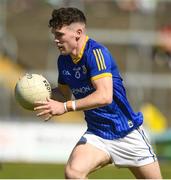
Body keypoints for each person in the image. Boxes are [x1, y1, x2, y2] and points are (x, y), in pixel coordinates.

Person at [34, 7, 162, 179]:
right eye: (54, 35)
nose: (56, 40)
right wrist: (39, 95)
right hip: (98, 134)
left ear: (78, 33)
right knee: (73, 173)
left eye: (60, 35)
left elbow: (104, 96)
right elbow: (64, 94)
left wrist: (65, 107)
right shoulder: (63, 61)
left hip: (126, 132)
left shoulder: (96, 53)